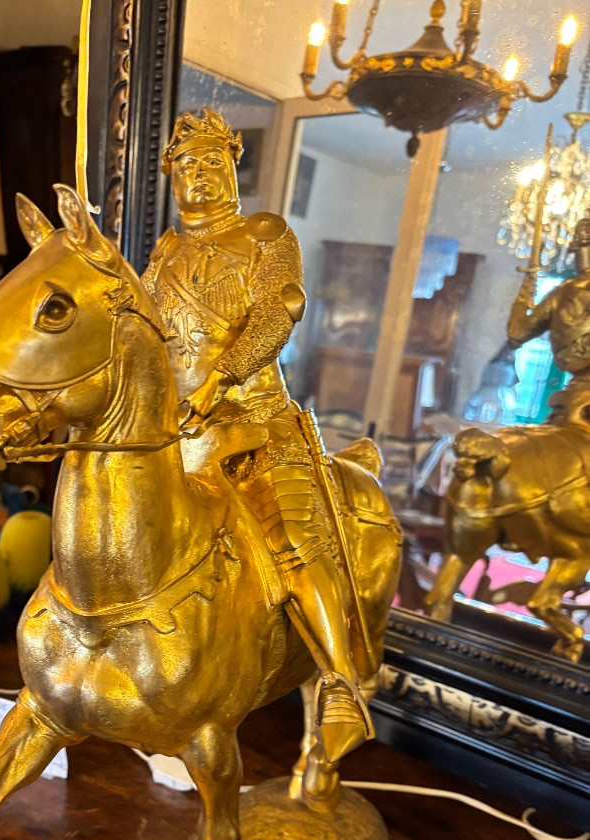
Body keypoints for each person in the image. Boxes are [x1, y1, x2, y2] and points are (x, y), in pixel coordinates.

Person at [142, 108, 370, 761]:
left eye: (213, 162)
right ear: (172, 176)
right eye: (188, 164)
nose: (201, 175)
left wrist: (218, 382)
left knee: (295, 542)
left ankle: (340, 684)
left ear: (233, 167)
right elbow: (139, 329)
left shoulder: (265, 235)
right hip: (174, 435)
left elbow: (278, 312)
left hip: (255, 424)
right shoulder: (165, 251)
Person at [507, 217, 590, 430]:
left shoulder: (562, 291)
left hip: (570, 396)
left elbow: (517, 333)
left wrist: (526, 289)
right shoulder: (563, 291)